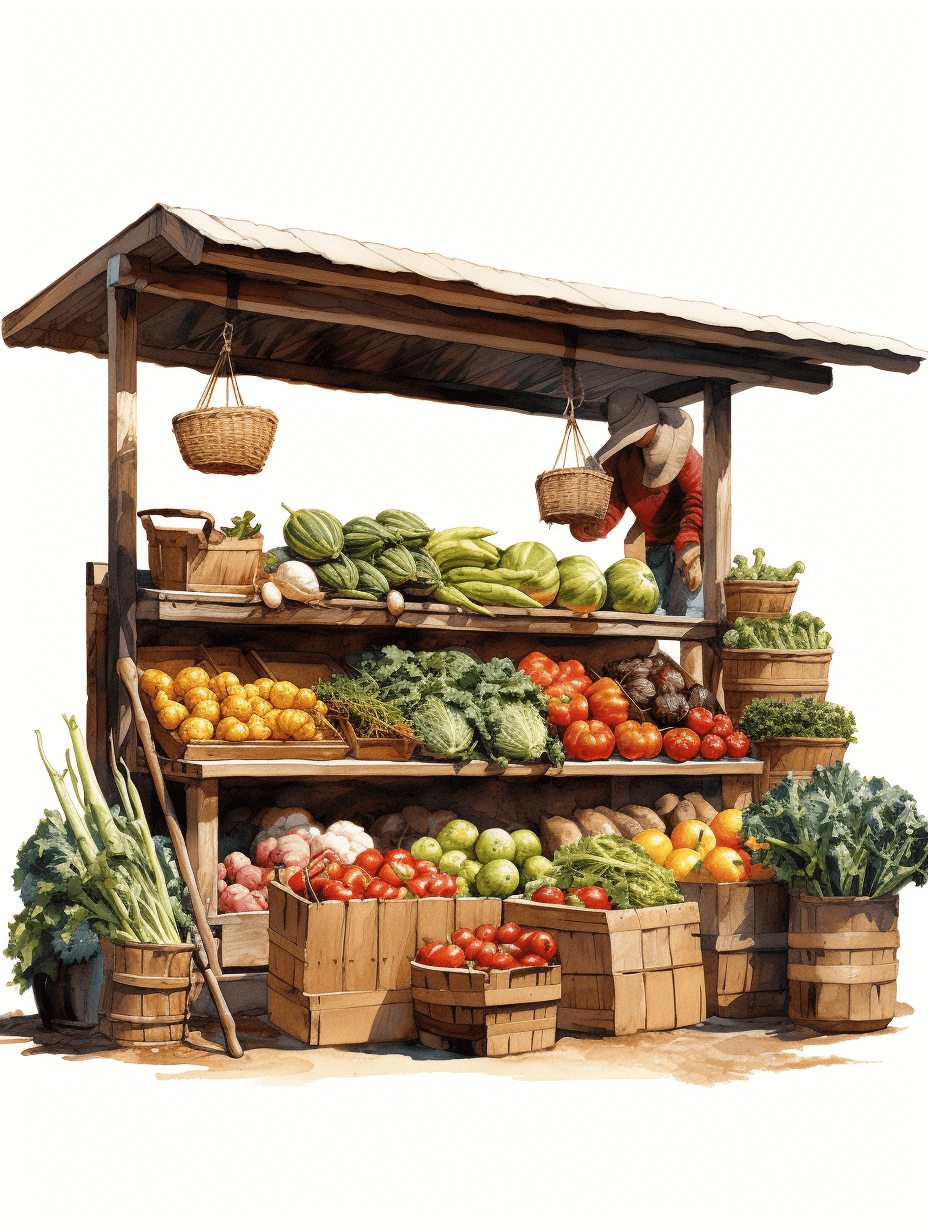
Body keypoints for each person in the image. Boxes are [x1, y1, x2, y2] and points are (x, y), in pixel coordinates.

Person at [572, 389, 703, 616]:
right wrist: (594, 526)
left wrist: (690, 540)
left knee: (691, 617)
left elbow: (698, 497)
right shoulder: (621, 458)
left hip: (690, 546)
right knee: (652, 612)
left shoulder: (685, 453)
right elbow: (613, 500)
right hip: (653, 547)